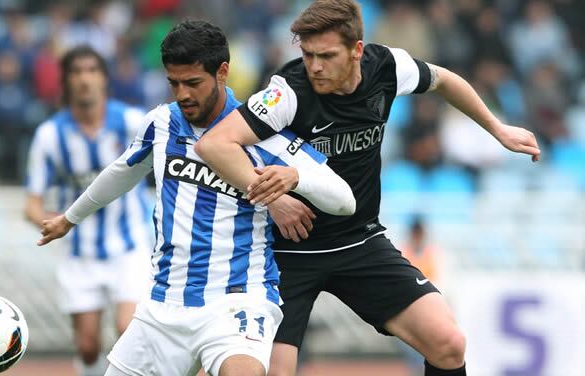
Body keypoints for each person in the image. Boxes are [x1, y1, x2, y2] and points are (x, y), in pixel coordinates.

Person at [194, 1, 542, 375]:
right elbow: (213, 145)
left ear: (357, 50)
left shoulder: (388, 67)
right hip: (286, 253)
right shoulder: (287, 92)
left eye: (326, 56)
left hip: (359, 242)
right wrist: (274, 198)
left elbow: (444, 80)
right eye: (308, 55)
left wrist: (497, 128)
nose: (315, 66)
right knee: (271, 372)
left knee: (449, 344)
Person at [37, 21, 355, 376]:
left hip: (236, 299)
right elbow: (121, 172)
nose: (182, 94)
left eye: (193, 83)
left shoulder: (262, 132)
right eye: (174, 83)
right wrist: (70, 218)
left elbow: (345, 199)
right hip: (164, 303)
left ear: (222, 73)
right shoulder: (161, 123)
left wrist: (296, 178)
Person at [24, 45, 154, 376]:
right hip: (80, 253)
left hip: (130, 245)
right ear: (66, 81)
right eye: (77, 72)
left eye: (92, 71)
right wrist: (50, 221)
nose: (85, 79)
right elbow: (32, 201)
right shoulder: (50, 135)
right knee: (88, 346)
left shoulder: (131, 122)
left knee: (128, 331)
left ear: (104, 79)